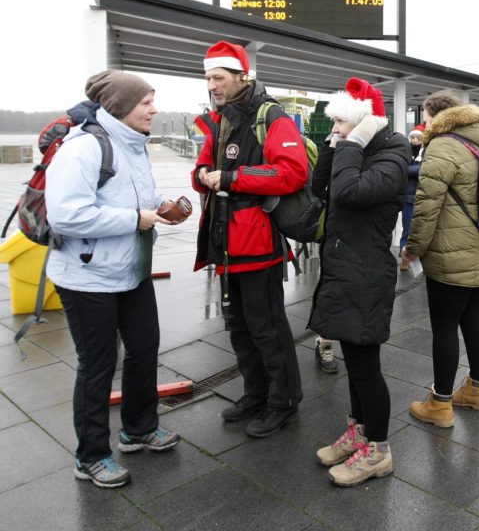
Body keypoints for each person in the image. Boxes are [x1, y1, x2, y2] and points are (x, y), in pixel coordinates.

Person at [47, 71, 181, 489]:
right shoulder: (83, 148)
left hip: (130, 270)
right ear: (121, 107)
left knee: (144, 349)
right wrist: (134, 218)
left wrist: (159, 207)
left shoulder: (134, 146)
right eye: (146, 103)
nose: (154, 109)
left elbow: (130, 198)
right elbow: (66, 215)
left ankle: (138, 428)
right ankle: (90, 456)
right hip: (87, 277)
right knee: (98, 366)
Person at [192, 41, 307, 438]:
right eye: (208, 78)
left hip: (257, 243)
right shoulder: (218, 118)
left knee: (267, 326)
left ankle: (283, 401)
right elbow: (204, 165)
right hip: (225, 241)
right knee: (238, 325)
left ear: (242, 76)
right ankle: (255, 393)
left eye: (218, 78)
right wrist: (204, 172)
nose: (212, 85)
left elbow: (292, 173)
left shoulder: (270, 116)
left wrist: (232, 178)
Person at [309, 77, 409, 487]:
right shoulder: (356, 148)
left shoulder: (393, 153)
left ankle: (379, 452)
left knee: (366, 367)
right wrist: (337, 147)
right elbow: (321, 189)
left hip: (366, 272)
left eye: (340, 124)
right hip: (344, 266)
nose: (334, 130)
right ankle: (359, 433)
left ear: (365, 124)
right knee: (355, 363)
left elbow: (348, 192)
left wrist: (351, 145)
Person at [403, 90, 479, 429]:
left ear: (439, 117)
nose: (424, 123)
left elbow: (426, 205)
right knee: (474, 319)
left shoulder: (443, 146)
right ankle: (478, 391)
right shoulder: (478, 142)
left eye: (427, 117)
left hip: (452, 251)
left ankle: (440, 403)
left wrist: (413, 247)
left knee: (445, 326)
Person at [399, 124, 425, 272]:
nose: (415, 140)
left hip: (421, 197)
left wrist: (407, 169)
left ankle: (419, 256)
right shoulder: (405, 152)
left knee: (421, 229)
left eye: (418, 137)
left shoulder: (426, 152)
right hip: (408, 198)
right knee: (407, 228)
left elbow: (422, 170)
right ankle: (405, 259)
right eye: (412, 137)